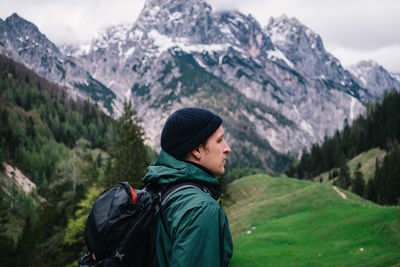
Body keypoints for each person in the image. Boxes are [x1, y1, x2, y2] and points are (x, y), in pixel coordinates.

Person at [143, 107, 233, 267]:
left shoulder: (157, 188)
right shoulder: (202, 209)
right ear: (197, 150)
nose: (227, 148)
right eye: (219, 140)